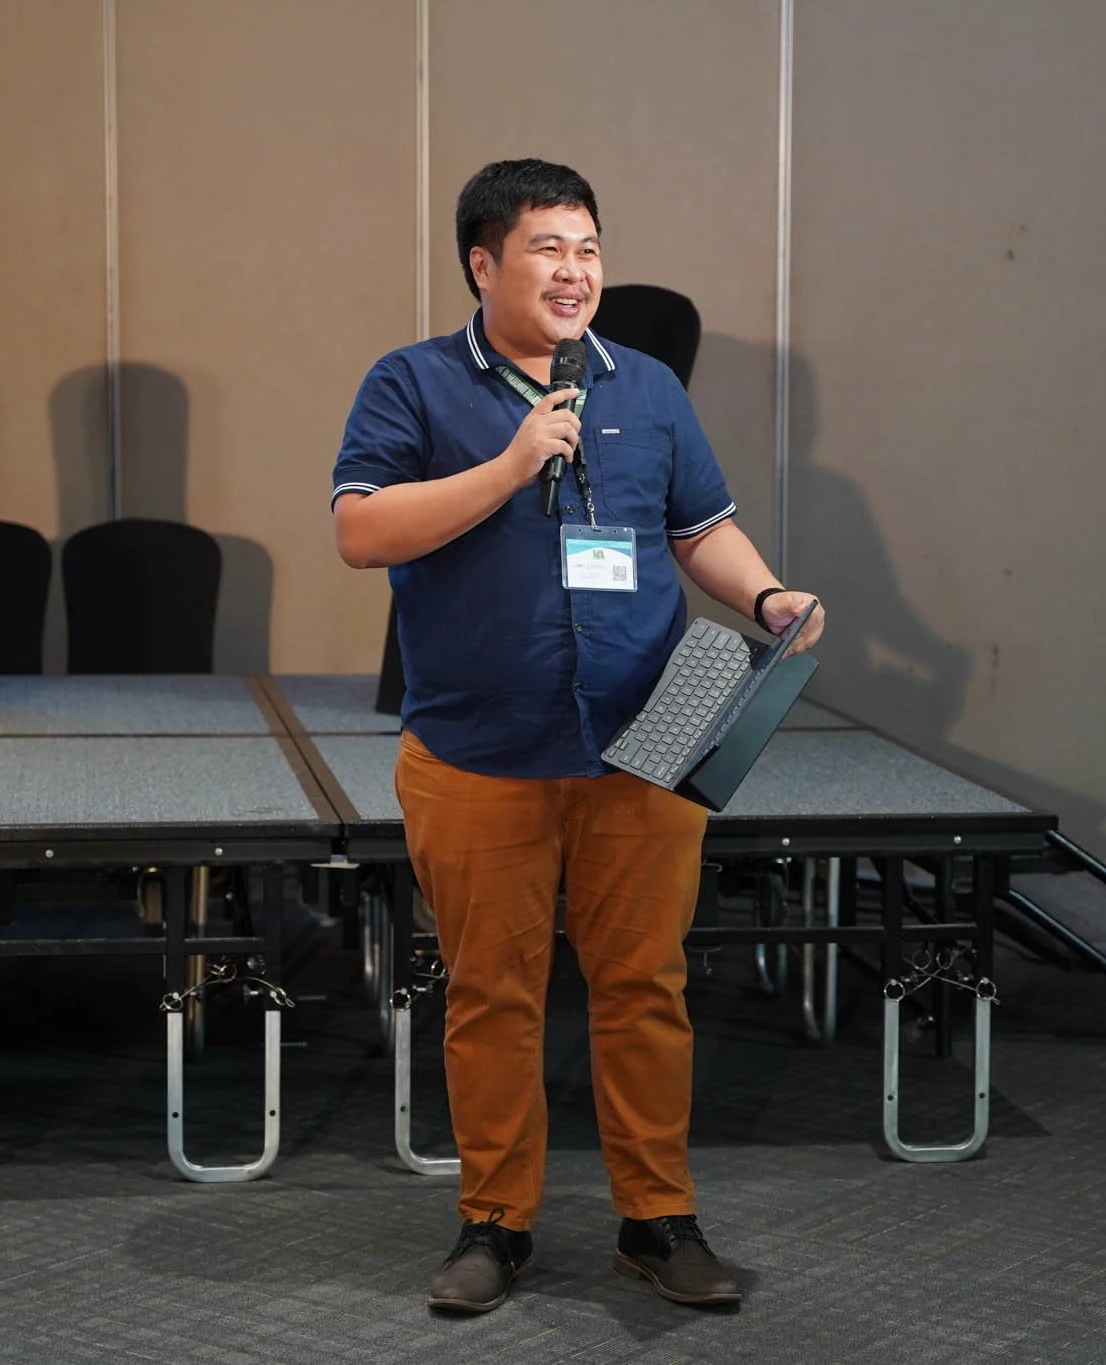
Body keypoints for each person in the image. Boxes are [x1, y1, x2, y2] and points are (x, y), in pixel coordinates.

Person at [331, 159, 824, 1315]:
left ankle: (656, 1220)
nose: (574, 271)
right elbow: (362, 533)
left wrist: (763, 596)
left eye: (588, 248)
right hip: (475, 751)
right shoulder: (410, 383)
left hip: (641, 747)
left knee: (644, 987)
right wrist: (507, 467)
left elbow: (698, 530)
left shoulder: (643, 386)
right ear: (483, 264)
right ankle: (493, 1224)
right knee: (490, 995)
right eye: (547, 248)